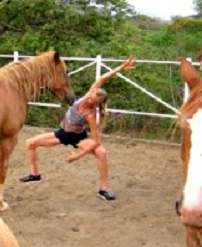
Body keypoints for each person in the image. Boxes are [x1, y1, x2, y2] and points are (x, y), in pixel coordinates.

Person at [19, 55, 137, 201]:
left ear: (95, 104)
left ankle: (104, 189)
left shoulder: (90, 115)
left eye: (91, 99)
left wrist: (77, 156)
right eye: (90, 95)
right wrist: (120, 68)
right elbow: (101, 79)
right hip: (62, 133)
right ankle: (35, 175)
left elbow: (96, 141)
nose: (88, 98)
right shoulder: (88, 95)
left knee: (102, 153)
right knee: (29, 143)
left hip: (78, 138)